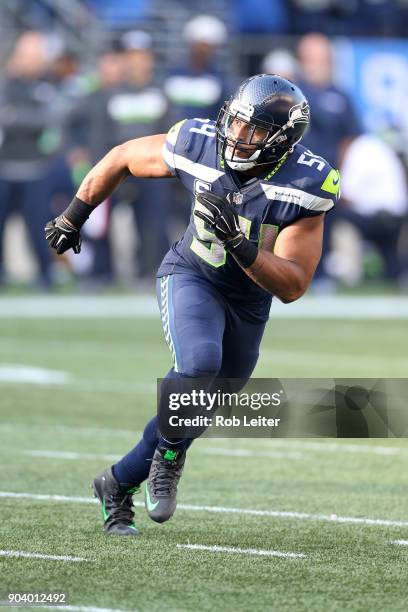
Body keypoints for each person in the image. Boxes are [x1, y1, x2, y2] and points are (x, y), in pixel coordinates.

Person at [45, 74, 340, 535]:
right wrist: (74, 215)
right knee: (200, 365)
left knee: (201, 404)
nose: (239, 137)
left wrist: (240, 245)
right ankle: (168, 455)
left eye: (255, 131)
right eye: (237, 123)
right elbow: (121, 157)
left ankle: (117, 483)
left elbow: (294, 284)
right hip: (191, 274)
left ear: (283, 140)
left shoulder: (306, 182)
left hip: (248, 301)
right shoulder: (196, 142)